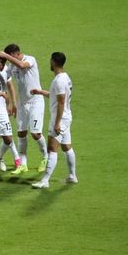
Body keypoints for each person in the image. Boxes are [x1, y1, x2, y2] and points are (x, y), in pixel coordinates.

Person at [0, 44, 49, 174]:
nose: (9, 60)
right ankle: (23, 164)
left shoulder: (30, 59)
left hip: (35, 101)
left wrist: (6, 56)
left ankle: (45, 158)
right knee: (21, 133)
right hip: (22, 104)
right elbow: (2, 75)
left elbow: (22, 65)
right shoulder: (12, 66)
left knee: (35, 133)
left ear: (17, 53)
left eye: (10, 57)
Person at [31, 52, 76, 188]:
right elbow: (55, 96)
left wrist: (57, 123)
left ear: (54, 62)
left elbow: (61, 102)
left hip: (60, 119)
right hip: (66, 117)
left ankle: (45, 181)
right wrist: (40, 92)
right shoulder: (65, 77)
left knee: (52, 148)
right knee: (67, 147)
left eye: (50, 61)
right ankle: (72, 176)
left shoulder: (59, 80)